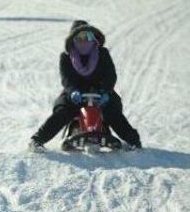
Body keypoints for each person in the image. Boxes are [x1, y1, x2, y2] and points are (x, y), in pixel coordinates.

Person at [29, 20, 141, 151]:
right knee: (63, 112)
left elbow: (110, 75)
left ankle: (133, 141)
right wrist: (73, 91)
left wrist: (105, 91)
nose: (83, 41)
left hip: (101, 91)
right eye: (78, 38)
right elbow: (67, 78)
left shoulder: (103, 53)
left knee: (112, 112)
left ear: (93, 38)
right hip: (75, 92)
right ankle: (37, 140)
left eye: (87, 37)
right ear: (72, 40)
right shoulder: (66, 58)